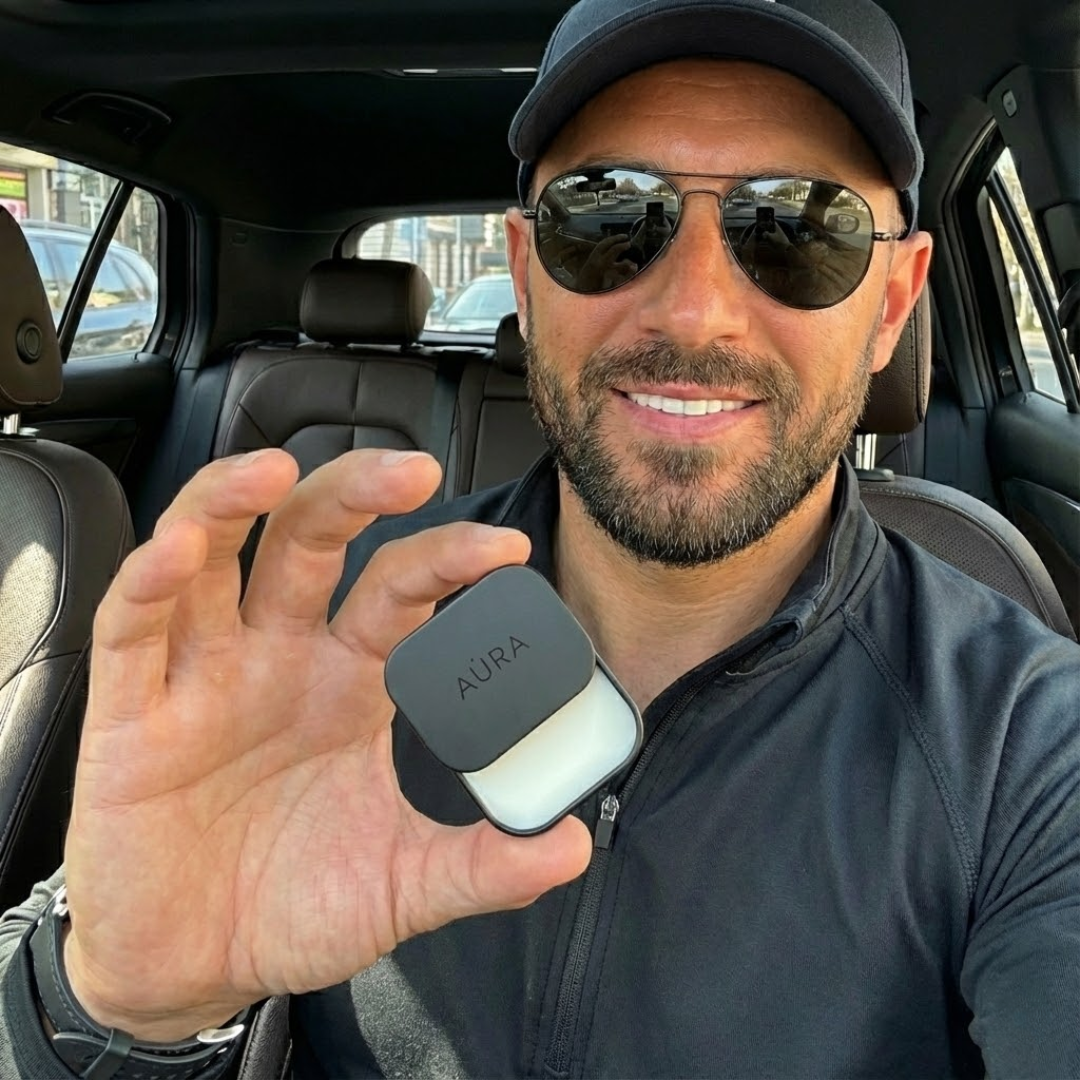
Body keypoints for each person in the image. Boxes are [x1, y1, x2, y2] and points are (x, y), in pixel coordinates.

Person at [2, 0, 1078, 1076]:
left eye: (799, 228)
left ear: (892, 303)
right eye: (607, 217)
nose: (693, 311)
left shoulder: (1025, 744)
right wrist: (117, 1012)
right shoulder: (331, 643)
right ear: (524, 270)